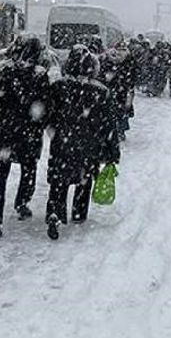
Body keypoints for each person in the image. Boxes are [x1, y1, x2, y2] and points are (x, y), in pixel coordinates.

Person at [45, 45, 121, 240]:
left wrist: (53, 128)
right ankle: (78, 213)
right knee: (83, 179)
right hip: (89, 145)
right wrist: (112, 152)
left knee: (58, 181)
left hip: (62, 142)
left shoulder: (59, 87)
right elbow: (109, 125)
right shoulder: (101, 91)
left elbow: (48, 114)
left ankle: (55, 212)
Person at [0, 36, 50, 239]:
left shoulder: (3, 71)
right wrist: (40, 122)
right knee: (29, 168)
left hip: (2, 131)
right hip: (28, 133)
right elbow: (44, 105)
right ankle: (22, 202)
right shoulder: (39, 75)